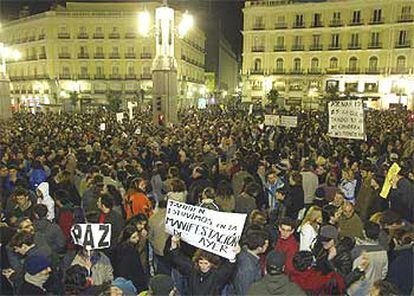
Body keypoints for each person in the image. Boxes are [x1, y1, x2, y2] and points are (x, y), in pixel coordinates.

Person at [168, 235, 240, 295]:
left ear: (212, 263)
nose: (203, 266)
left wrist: (233, 254)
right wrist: (174, 243)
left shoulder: (217, 275)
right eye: (200, 263)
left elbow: (229, 267)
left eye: (206, 263)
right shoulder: (193, 270)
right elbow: (179, 259)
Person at [348, 221, 388, 296]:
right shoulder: (383, 251)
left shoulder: (358, 252)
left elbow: (353, 274)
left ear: (364, 232)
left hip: (358, 290)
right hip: (374, 289)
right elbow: (384, 273)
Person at [112, 225, 148, 293]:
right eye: (134, 237)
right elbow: (137, 269)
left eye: (137, 236)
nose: (137, 239)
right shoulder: (131, 251)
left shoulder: (118, 248)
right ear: (127, 239)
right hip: (131, 282)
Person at [231, 230, 269, 295]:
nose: (267, 246)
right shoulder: (248, 267)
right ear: (259, 248)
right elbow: (244, 291)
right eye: (266, 244)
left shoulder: (243, 254)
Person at [148, 200, 171, 275]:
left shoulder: (152, 218)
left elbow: (150, 236)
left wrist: (154, 245)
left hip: (158, 250)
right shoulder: (173, 217)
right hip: (171, 250)